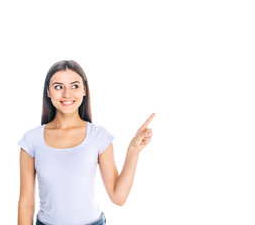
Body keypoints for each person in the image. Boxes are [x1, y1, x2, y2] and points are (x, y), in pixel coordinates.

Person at [17, 60, 155, 225]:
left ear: (84, 90)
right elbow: (26, 204)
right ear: (48, 92)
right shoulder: (32, 140)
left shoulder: (98, 136)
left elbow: (118, 197)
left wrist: (133, 150)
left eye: (74, 86)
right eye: (58, 87)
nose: (67, 94)